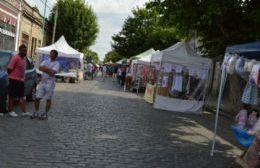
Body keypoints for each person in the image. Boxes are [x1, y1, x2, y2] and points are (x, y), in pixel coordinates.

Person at [31, 50, 60, 120]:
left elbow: (52, 73)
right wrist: (48, 69)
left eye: (52, 54)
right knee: (37, 98)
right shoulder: (46, 61)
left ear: (56, 56)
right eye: (50, 54)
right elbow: (40, 68)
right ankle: (36, 112)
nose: (51, 55)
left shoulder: (57, 64)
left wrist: (45, 68)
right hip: (42, 82)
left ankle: (45, 113)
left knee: (48, 99)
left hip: (50, 83)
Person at [7, 44, 30, 117]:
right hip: (14, 80)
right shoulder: (15, 58)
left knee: (21, 96)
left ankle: (24, 112)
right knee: (12, 96)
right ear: (20, 50)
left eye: (25, 51)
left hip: (21, 81)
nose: (25, 52)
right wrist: (12, 76)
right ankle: (10, 111)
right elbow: (9, 68)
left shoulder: (24, 59)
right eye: (23, 50)